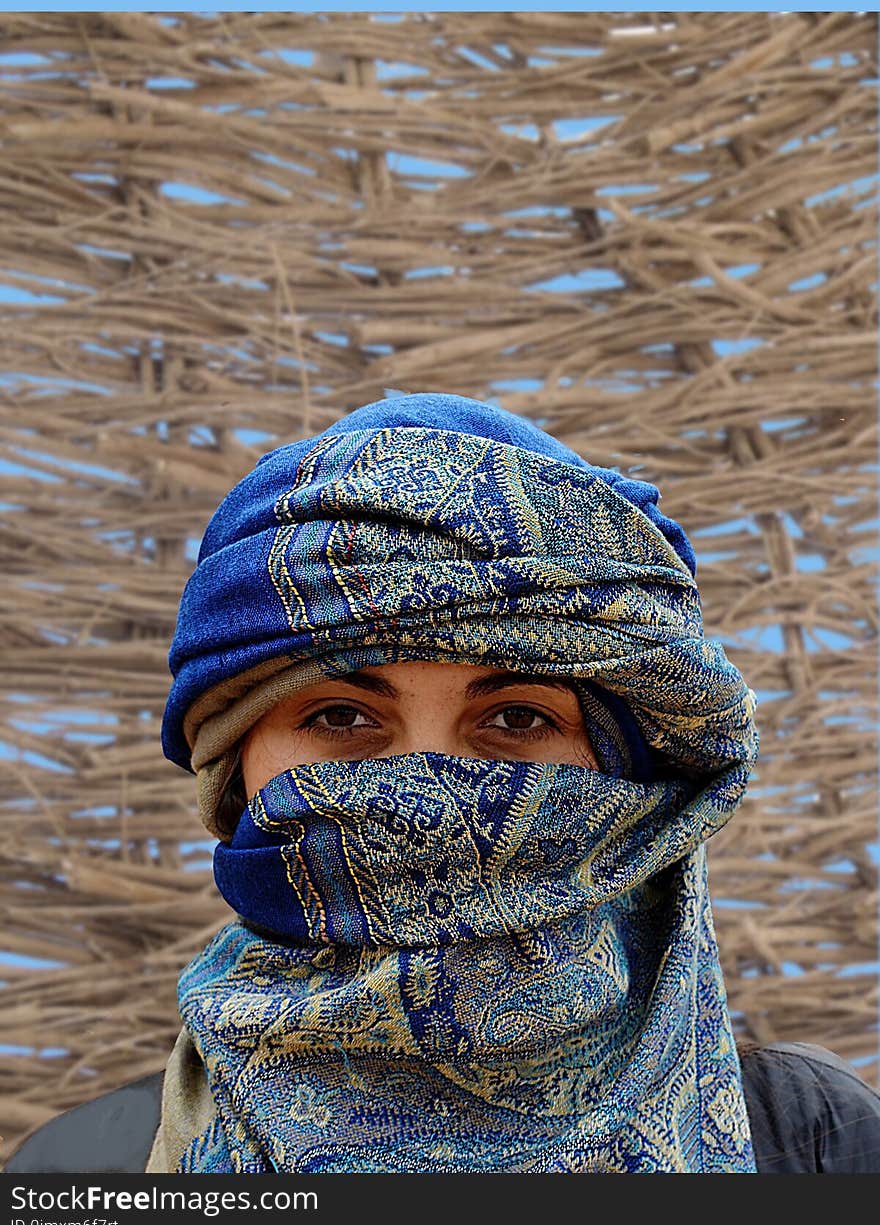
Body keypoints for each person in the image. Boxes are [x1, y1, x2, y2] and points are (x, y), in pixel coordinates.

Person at [5, 392, 880, 1174]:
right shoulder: (90, 1172)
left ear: (627, 777)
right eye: (342, 718)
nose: (426, 787)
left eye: (517, 720)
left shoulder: (815, 1145)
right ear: (236, 765)